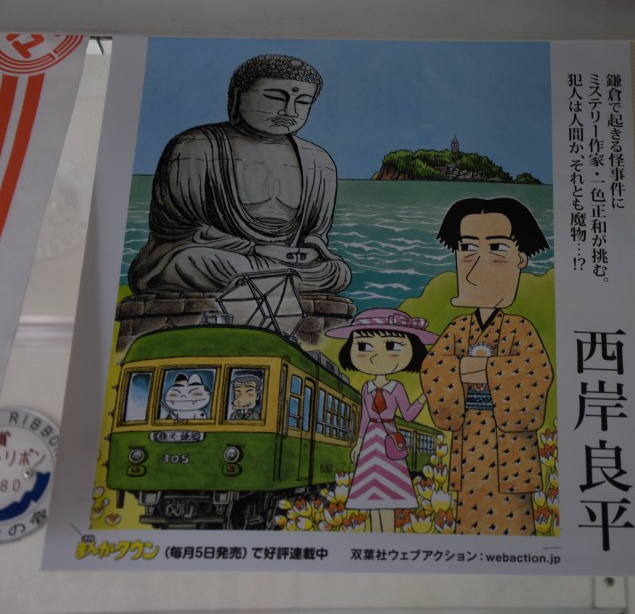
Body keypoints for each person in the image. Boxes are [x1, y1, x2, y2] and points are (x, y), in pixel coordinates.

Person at [129, 54, 351, 295]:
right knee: (194, 262)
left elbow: (316, 232)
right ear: (238, 95)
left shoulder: (318, 161)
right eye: (275, 97)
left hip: (281, 261)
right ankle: (275, 280)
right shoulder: (195, 145)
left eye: (303, 101)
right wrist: (255, 249)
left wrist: (310, 249)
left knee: (337, 272)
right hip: (218, 256)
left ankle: (270, 279)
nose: (289, 110)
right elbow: (179, 228)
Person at [420, 197, 553, 535]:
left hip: (510, 446)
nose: (477, 266)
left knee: (514, 526)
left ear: (520, 259)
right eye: (467, 248)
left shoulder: (520, 328)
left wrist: (469, 369)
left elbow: (535, 374)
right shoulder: (457, 328)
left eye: (496, 248)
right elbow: (433, 369)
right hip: (468, 438)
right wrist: (492, 370)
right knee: (468, 517)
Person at [326, 309, 437, 533]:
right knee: (371, 496)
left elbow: (408, 415)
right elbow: (365, 417)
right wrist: (358, 443)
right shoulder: (366, 387)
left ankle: (387, 536)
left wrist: (422, 399)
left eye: (392, 346)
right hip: (370, 442)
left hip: (388, 441)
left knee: (387, 495)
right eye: (364, 347)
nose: (376, 357)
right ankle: (375, 535)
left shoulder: (396, 387)